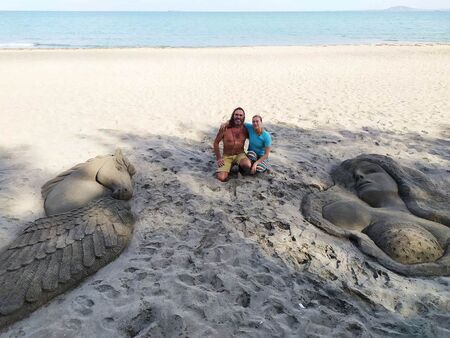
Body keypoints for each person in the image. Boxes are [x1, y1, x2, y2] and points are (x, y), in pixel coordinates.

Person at [302, 154, 450, 276]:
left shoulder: (436, 221)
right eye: (354, 177)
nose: (360, 177)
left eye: (371, 171)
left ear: (395, 178)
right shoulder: (353, 210)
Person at [213, 107, 251, 182]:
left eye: (240, 115)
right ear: (233, 115)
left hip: (240, 154)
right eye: (236, 115)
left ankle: (240, 168)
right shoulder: (225, 128)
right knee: (221, 178)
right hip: (227, 156)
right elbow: (216, 143)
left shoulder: (246, 129)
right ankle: (229, 167)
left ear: (243, 117)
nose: (238, 117)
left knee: (247, 164)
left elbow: (255, 137)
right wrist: (219, 158)